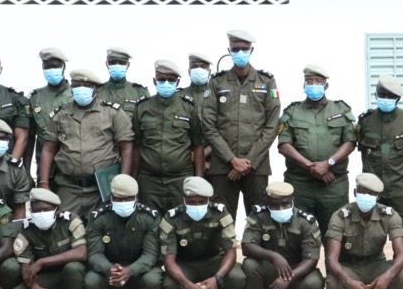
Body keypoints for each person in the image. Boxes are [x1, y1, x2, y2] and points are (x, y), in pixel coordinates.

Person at [355, 75, 403, 289]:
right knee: (369, 242)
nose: (385, 100)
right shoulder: (365, 122)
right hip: (371, 193)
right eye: (382, 95)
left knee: (402, 241)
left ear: (397, 99)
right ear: (376, 95)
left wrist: (398, 174)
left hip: (398, 191)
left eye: (390, 97)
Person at [201, 30, 281, 220]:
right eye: (236, 49)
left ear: (251, 50)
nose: (240, 53)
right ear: (229, 50)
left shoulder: (267, 81)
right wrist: (232, 160)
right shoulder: (216, 82)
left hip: (257, 167)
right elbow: (208, 126)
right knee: (222, 222)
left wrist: (248, 161)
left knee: (261, 222)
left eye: (245, 49)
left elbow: (272, 126)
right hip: (223, 167)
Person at [39, 69, 134, 217]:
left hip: (102, 188)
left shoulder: (112, 113)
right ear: (71, 87)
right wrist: (43, 183)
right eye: (77, 85)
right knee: (65, 230)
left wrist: (123, 182)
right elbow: (48, 149)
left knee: (102, 232)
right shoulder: (60, 115)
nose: (81, 89)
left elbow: (126, 148)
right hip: (68, 187)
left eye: (86, 86)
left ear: (96, 88)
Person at [324, 173, 403, 289]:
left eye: (372, 193)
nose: (367, 196)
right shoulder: (340, 216)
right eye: (363, 192)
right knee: (333, 281)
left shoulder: (390, 215)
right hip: (350, 266)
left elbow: (402, 254)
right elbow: (331, 259)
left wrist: (387, 276)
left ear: (378, 196)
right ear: (355, 192)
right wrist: (348, 281)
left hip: (376, 264)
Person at [276, 64, 357, 236]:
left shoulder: (341, 109)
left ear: (326, 85)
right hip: (300, 184)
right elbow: (283, 145)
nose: (313, 85)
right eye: (309, 81)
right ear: (303, 85)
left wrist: (328, 164)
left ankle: (333, 264)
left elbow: (350, 141)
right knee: (298, 234)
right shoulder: (292, 111)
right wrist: (311, 167)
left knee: (336, 234)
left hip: (333, 184)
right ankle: (306, 264)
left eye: (318, 81)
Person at [235, 182, 324, 289]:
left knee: (315, 283)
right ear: (267, 201)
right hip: (269, 270)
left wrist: (289, 277)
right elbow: (247, 246)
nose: (281, 209)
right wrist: (273, 256)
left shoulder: (305, 221)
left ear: (292, 199)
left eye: (285, 204)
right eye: (275, 205)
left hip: (297, 272)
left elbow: (311, 259)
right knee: (249, 265)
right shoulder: (258, 215)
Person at [161, 176, 245, 289]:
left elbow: (231, 251)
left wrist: (217, 278)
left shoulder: (220, 213)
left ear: (209, 200)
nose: (197, 206)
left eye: (202, 202)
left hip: (213, 260)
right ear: (184, 199)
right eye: (192, 201)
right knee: (168, 284)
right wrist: (187, 285)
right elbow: (169, 259)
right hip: (185, 264)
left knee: (237, 277)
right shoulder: (171, 218)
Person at [85, 175, 164, 289]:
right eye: (118, 199)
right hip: (111, 269)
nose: (123, 203)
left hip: (140, 269)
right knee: (91, 280)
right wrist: (109, 268)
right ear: (111, 197)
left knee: (154, 280)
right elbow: (94, 254)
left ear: (136, 197)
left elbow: (150, 255)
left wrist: (130, 270)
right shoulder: (99, 218)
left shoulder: (149, 217)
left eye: (128, 199)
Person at [11, 187, 89, 289]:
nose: (40, 214)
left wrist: (42, 261)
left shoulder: (70, 221)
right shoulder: (26, 229)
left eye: (45, 210)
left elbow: (81, 252)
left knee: (73, 268)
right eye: (36, 210)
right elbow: (26, 268)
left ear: (57, 210)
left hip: (72, 278)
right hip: (46, 280)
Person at [131, 59, 204, 213]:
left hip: (181, 180)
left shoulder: (188, 108)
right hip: (149, 181)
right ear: (154, 81)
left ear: (177, 82)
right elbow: (136, 147)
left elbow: (198, 146)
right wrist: (134, 180)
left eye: (170, 80)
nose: (166, 83)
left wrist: (198, 180)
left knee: (179, 227)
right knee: (151, 226)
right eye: (161, 80)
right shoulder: (142, 108)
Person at [25, 47, 73, 180]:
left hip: (72, 168)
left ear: (63, 67)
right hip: (45, 169)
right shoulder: (35, 98)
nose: (51, 70)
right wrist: (26, 170)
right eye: (47, 66)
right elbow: (29, 138)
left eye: (55, 66)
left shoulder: (77, 95)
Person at [98, 46, 150, 117]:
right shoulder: (97, 92)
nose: (117, 65)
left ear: (128, 65)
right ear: (107, 64)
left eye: (121, 62)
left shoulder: (140, 93)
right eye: (112, 62)